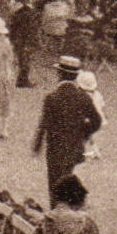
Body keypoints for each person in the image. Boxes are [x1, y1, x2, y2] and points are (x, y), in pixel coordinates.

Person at [32, 55, 102, 206]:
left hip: (55, 148)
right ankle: (71, 207)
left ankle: (56, 210)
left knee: (55, 180)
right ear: (76, 76)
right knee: (69, 177)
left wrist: (37, 145)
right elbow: (97, 121)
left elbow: (44, 125)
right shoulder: (83, 97)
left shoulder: (52, 97)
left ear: (59, 75)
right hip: (75, 147)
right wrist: (83, 132)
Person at [75, 70, 106, 161]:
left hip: (89, 121)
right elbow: (102, 106)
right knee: (93, 139)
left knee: (86, 138)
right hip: (100, 120)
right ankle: (94, 152)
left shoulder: (82, 97)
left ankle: (91, 153)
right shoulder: (98, 94)